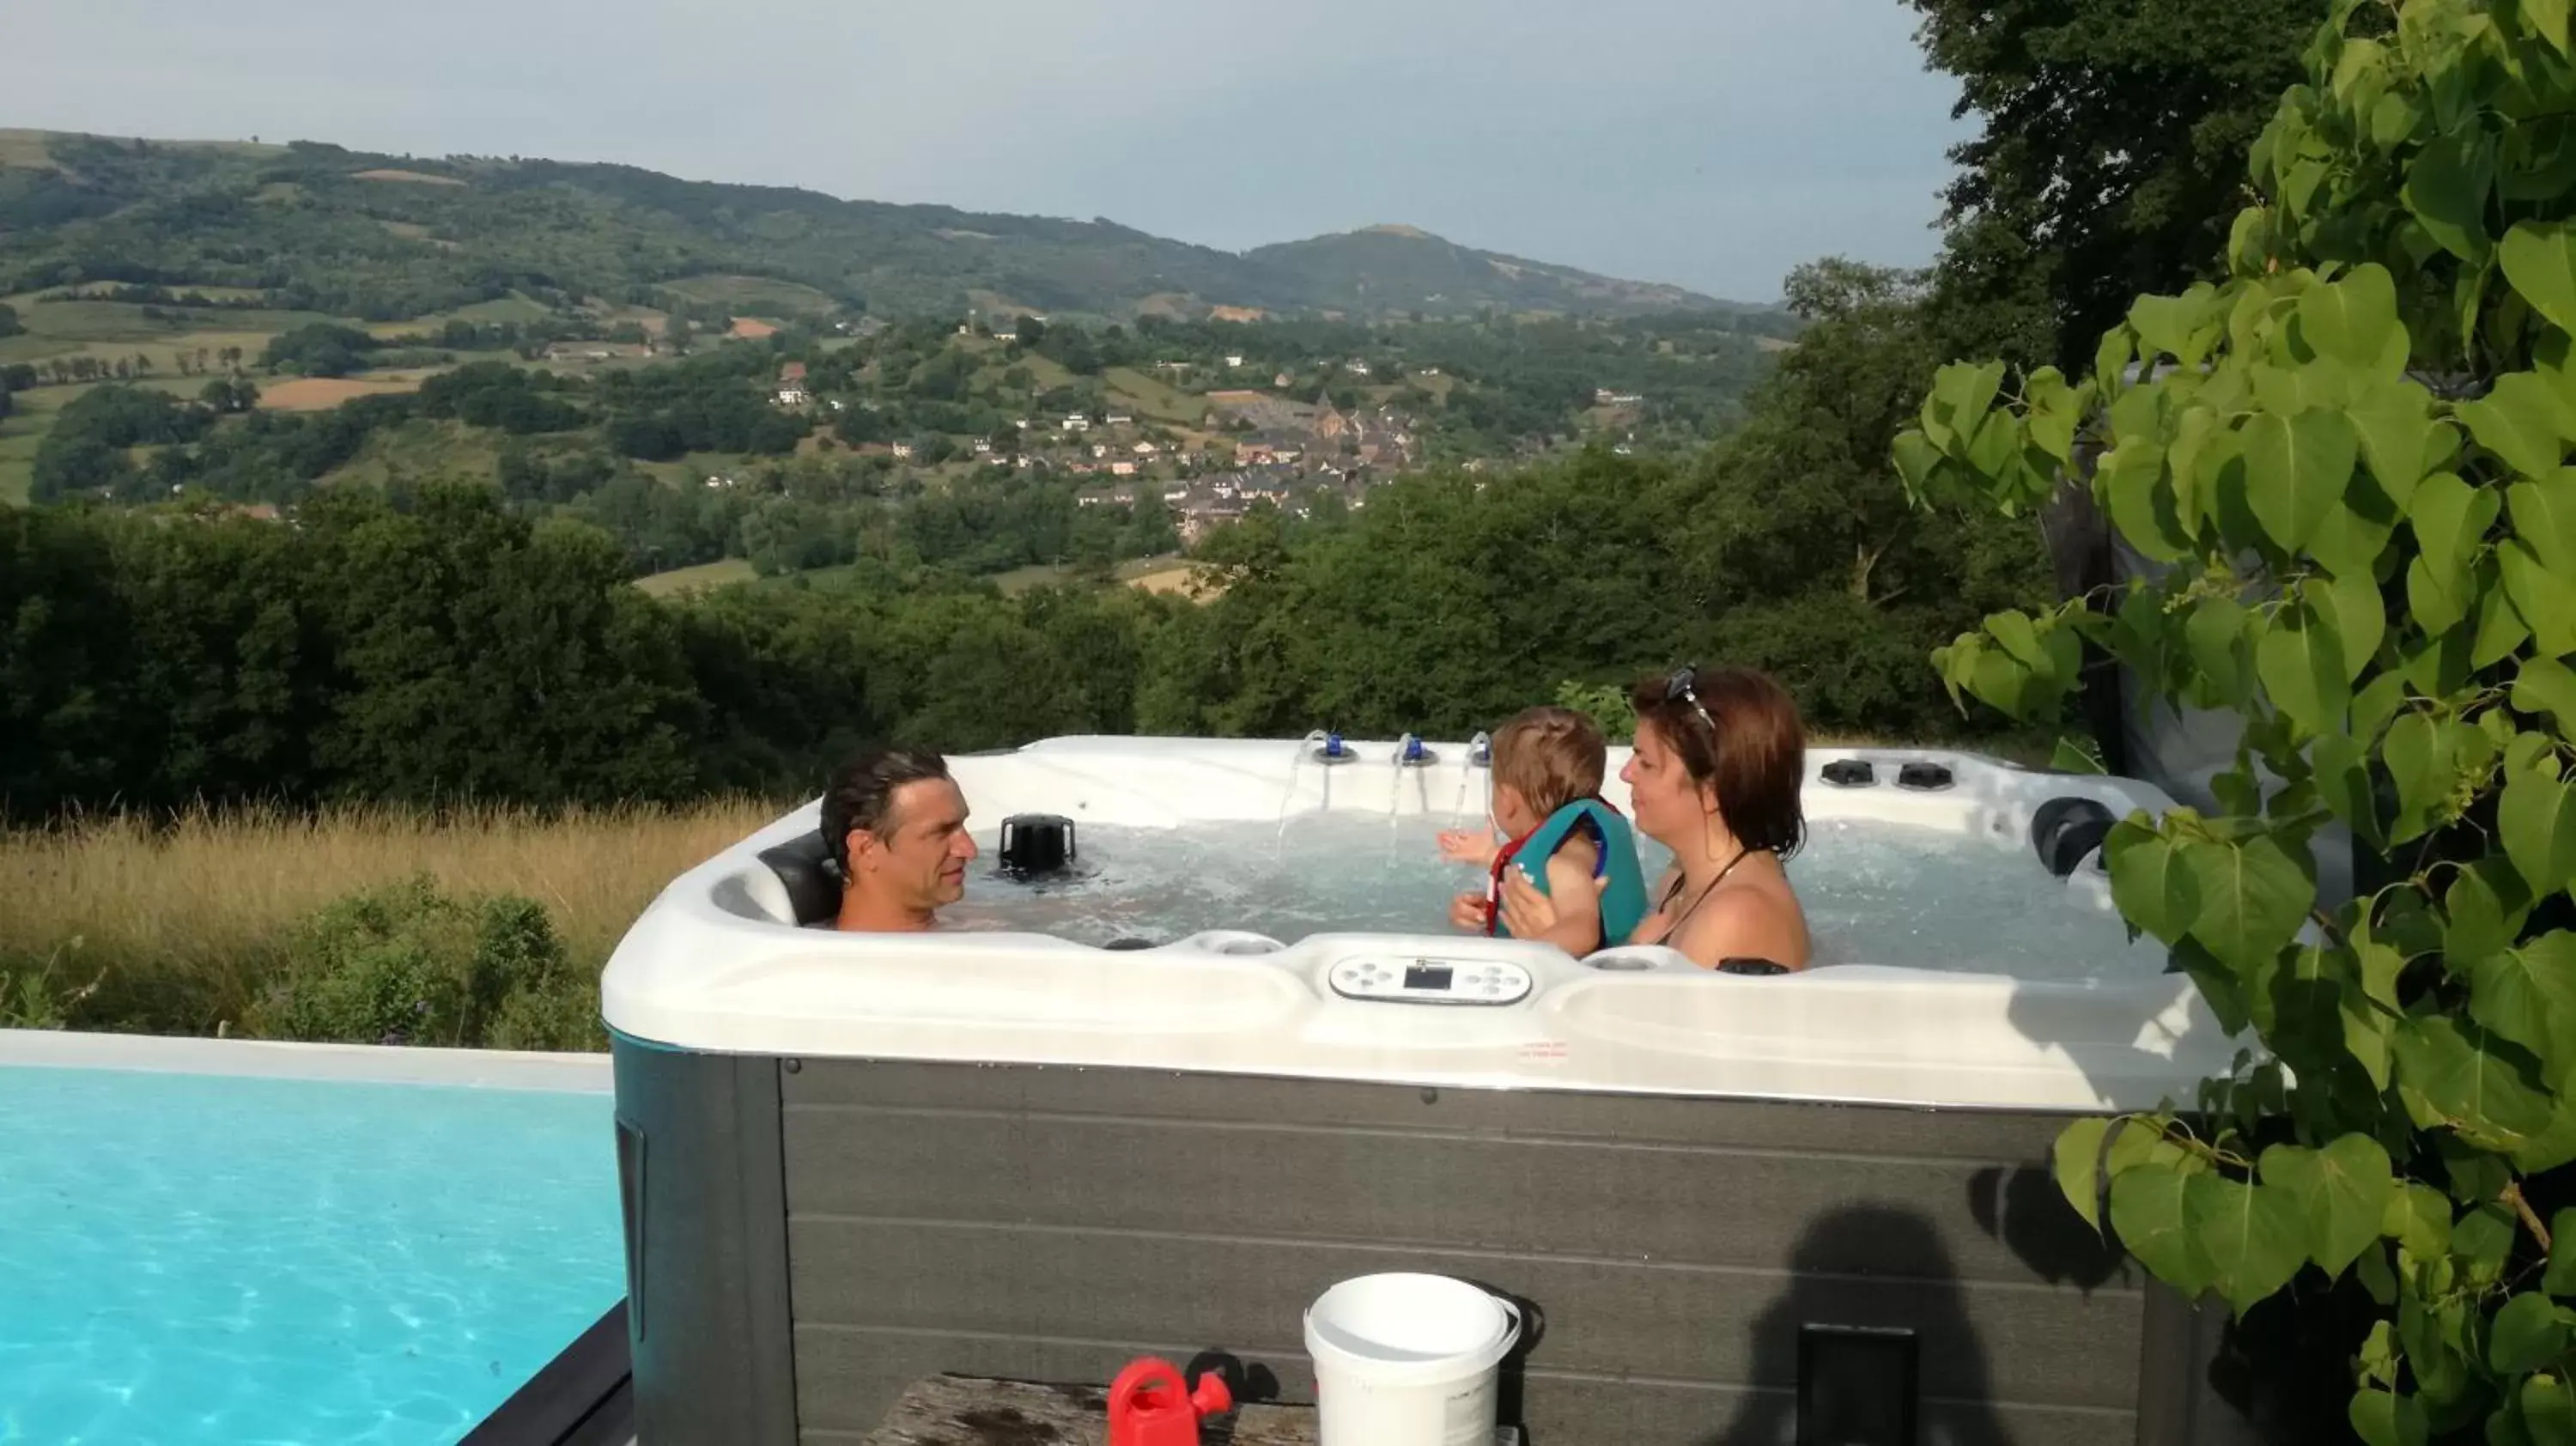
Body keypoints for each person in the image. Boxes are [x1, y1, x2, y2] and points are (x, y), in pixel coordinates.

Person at [1500, 665, 1811, 970]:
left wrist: (1549, 952)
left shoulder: (1734, 918)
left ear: (1712, 792)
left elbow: (1639, 1022)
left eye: (1646, 764)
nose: (1626, 774)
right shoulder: (1682, 879)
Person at [1437, 706, 1649, 956]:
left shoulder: (1564, 864)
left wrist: (1521, 956)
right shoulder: (1573, 844)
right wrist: (1494, 904)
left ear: (1507, 800)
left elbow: (1582, 933)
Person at [821, 746, 979, 933]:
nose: (970, 850)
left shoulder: (971, 927)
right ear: (866, 849)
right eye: (942, 832)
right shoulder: (849, 960)